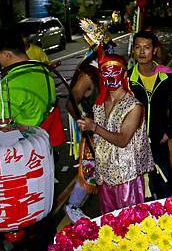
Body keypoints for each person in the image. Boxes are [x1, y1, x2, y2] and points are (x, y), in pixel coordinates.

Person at [77, 53, 155, 214]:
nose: (110, 77)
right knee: (109, 224)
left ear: (124, 74)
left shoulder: (134, 106)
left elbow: (123, 140)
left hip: (126, 177)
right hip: (105, 176)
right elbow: (99, 138)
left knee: (130, 224)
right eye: (106, 73)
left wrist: (94, 128)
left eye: (115, 72)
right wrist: (86, 127)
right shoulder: (99, 104)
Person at [128, 30, 172, 199]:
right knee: (139, 189)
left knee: (164, 186)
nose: (142, 52)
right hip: (134, 144)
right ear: (133, 51)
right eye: (138, 47)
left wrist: (168, 133)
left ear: (155, 50)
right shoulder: (127, 78)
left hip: (158, 142)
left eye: (147, 47)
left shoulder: (166, 76)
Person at [0, 29, 57, 131]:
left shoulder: (10, 83)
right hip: (41, 135)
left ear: (7, 55)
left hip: (20, 140)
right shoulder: (43, 71)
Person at [63, 48, 100, 223]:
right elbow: (70, 103)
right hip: (94, 131)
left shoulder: (108, 70)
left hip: (107, 129)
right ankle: (73, 206)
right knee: (90, 168)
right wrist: (85, 124)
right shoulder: (89, 75)